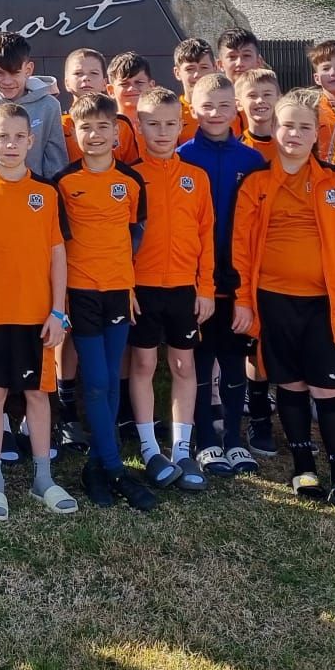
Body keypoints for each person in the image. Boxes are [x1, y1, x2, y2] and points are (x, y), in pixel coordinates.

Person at [232, 92, 335, 509]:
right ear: (273, 129)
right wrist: (242, 300)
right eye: (287, 125)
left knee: (328, 389)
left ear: (318, 134)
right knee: (291, 384)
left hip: (325, 304)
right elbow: (239, 248)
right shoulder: (255, 183)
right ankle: (303, 468)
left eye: (304, 127)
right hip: (273, 301)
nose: (294, 134)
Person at [0, 103, 77, 520]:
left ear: (31, 141)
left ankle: (43, 478)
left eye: (18, 137)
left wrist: (58, 313)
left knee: (37, 394)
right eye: (2, 137)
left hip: (37, 316)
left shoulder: (47, 193)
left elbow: (58, 254)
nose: (10, 144)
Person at [57, 94, 156, 512]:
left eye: (102, 127)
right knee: (96, 381)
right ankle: (116, 469)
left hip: (118, 291)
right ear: (74, 133)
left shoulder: (130, 181)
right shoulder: (64, 183)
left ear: (116, 133)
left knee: (112, 381)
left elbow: (136, 233)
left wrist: (125, 280)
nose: (94, 135)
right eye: (86, 128)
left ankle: (95, 468)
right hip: (81, 292)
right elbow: (57, 244)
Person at [126, 86, 216, 493]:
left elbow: (206, 235)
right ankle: (149, 448)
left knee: (183, 366)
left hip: (184, 288)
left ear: (182, 125)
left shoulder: (196, 178)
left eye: (169, 124)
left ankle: (182, 448)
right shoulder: (130, 177)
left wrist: (206, 287)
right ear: (139, 126)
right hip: (141, 288)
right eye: (153, 124)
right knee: (143, 365)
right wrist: (126, 287)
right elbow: (121, 238)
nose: (161, 132)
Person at [178, 72, 265, 476]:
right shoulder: (181, 157)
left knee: (232, 359)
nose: (215, 113)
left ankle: (233, 437)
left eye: (224, 106)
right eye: (207, 106)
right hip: (194, 278)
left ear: (237, 109)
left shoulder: (251, 160)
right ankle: (205, 439)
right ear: (193, 108)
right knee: (200, 358)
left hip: (236, 278)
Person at [231, 66, 283, 448]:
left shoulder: (291, 145)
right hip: (250, 261)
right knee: (255, 344)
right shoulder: (238, 150)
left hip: (288, 260)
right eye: (252, 95)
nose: (260, 102)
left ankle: (295, 413)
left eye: (267, 94)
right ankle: (260, 417)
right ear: (239, 103)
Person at [0, 31, 66, 187]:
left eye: (15, 72)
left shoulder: (49, 106)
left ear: (28, 70)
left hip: (35, 199)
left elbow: (56, 164)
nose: (7, 81)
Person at [62, 47, 138, 164]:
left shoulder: (121, 124)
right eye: (78, 73)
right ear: (67, 83)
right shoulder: (60, 125)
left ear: (104, 83)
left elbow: (132, 167)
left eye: (93, 73)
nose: (86, 78)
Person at [170, 38, 213, 142]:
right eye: (190, 69)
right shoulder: (170, 113)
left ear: (215, 68)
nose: (197, 74)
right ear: (177, 73)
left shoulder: (231, 110)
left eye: (204, 67)